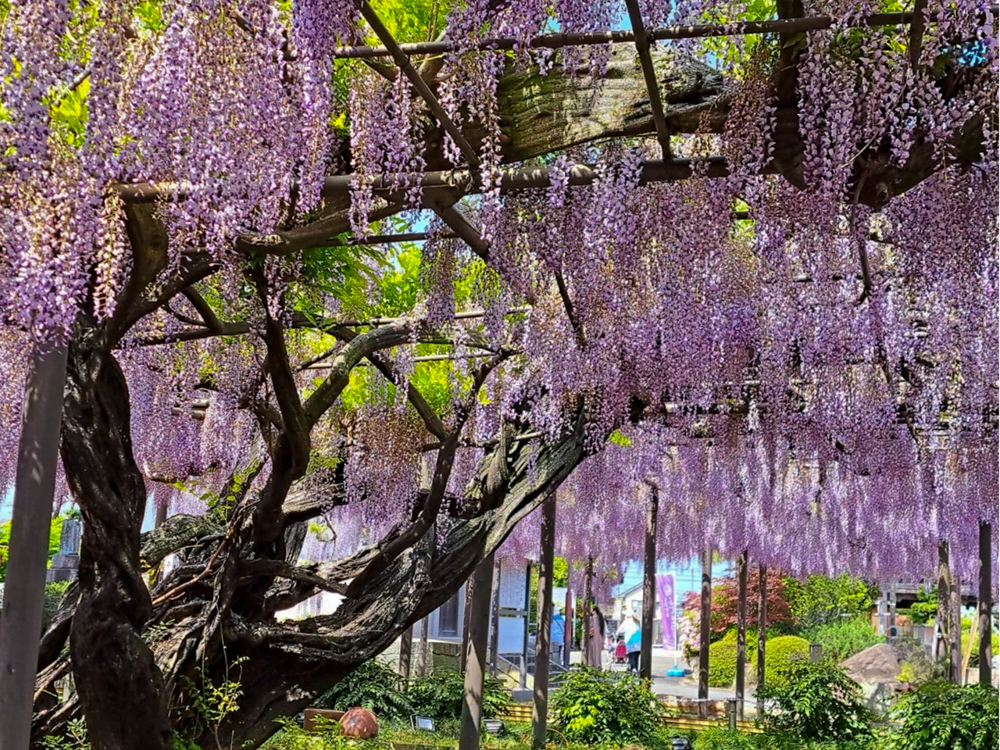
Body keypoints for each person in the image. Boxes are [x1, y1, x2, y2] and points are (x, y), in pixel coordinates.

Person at [587, 603, 606, 668]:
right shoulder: (601, 619)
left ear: (594, 611)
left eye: (592, 611)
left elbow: (588, 627)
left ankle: (592, 664)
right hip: (600, 638)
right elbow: (604, 631)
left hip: (593, 638)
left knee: (592, 652)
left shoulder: (592, 618)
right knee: (598, 653)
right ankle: (598, 665)